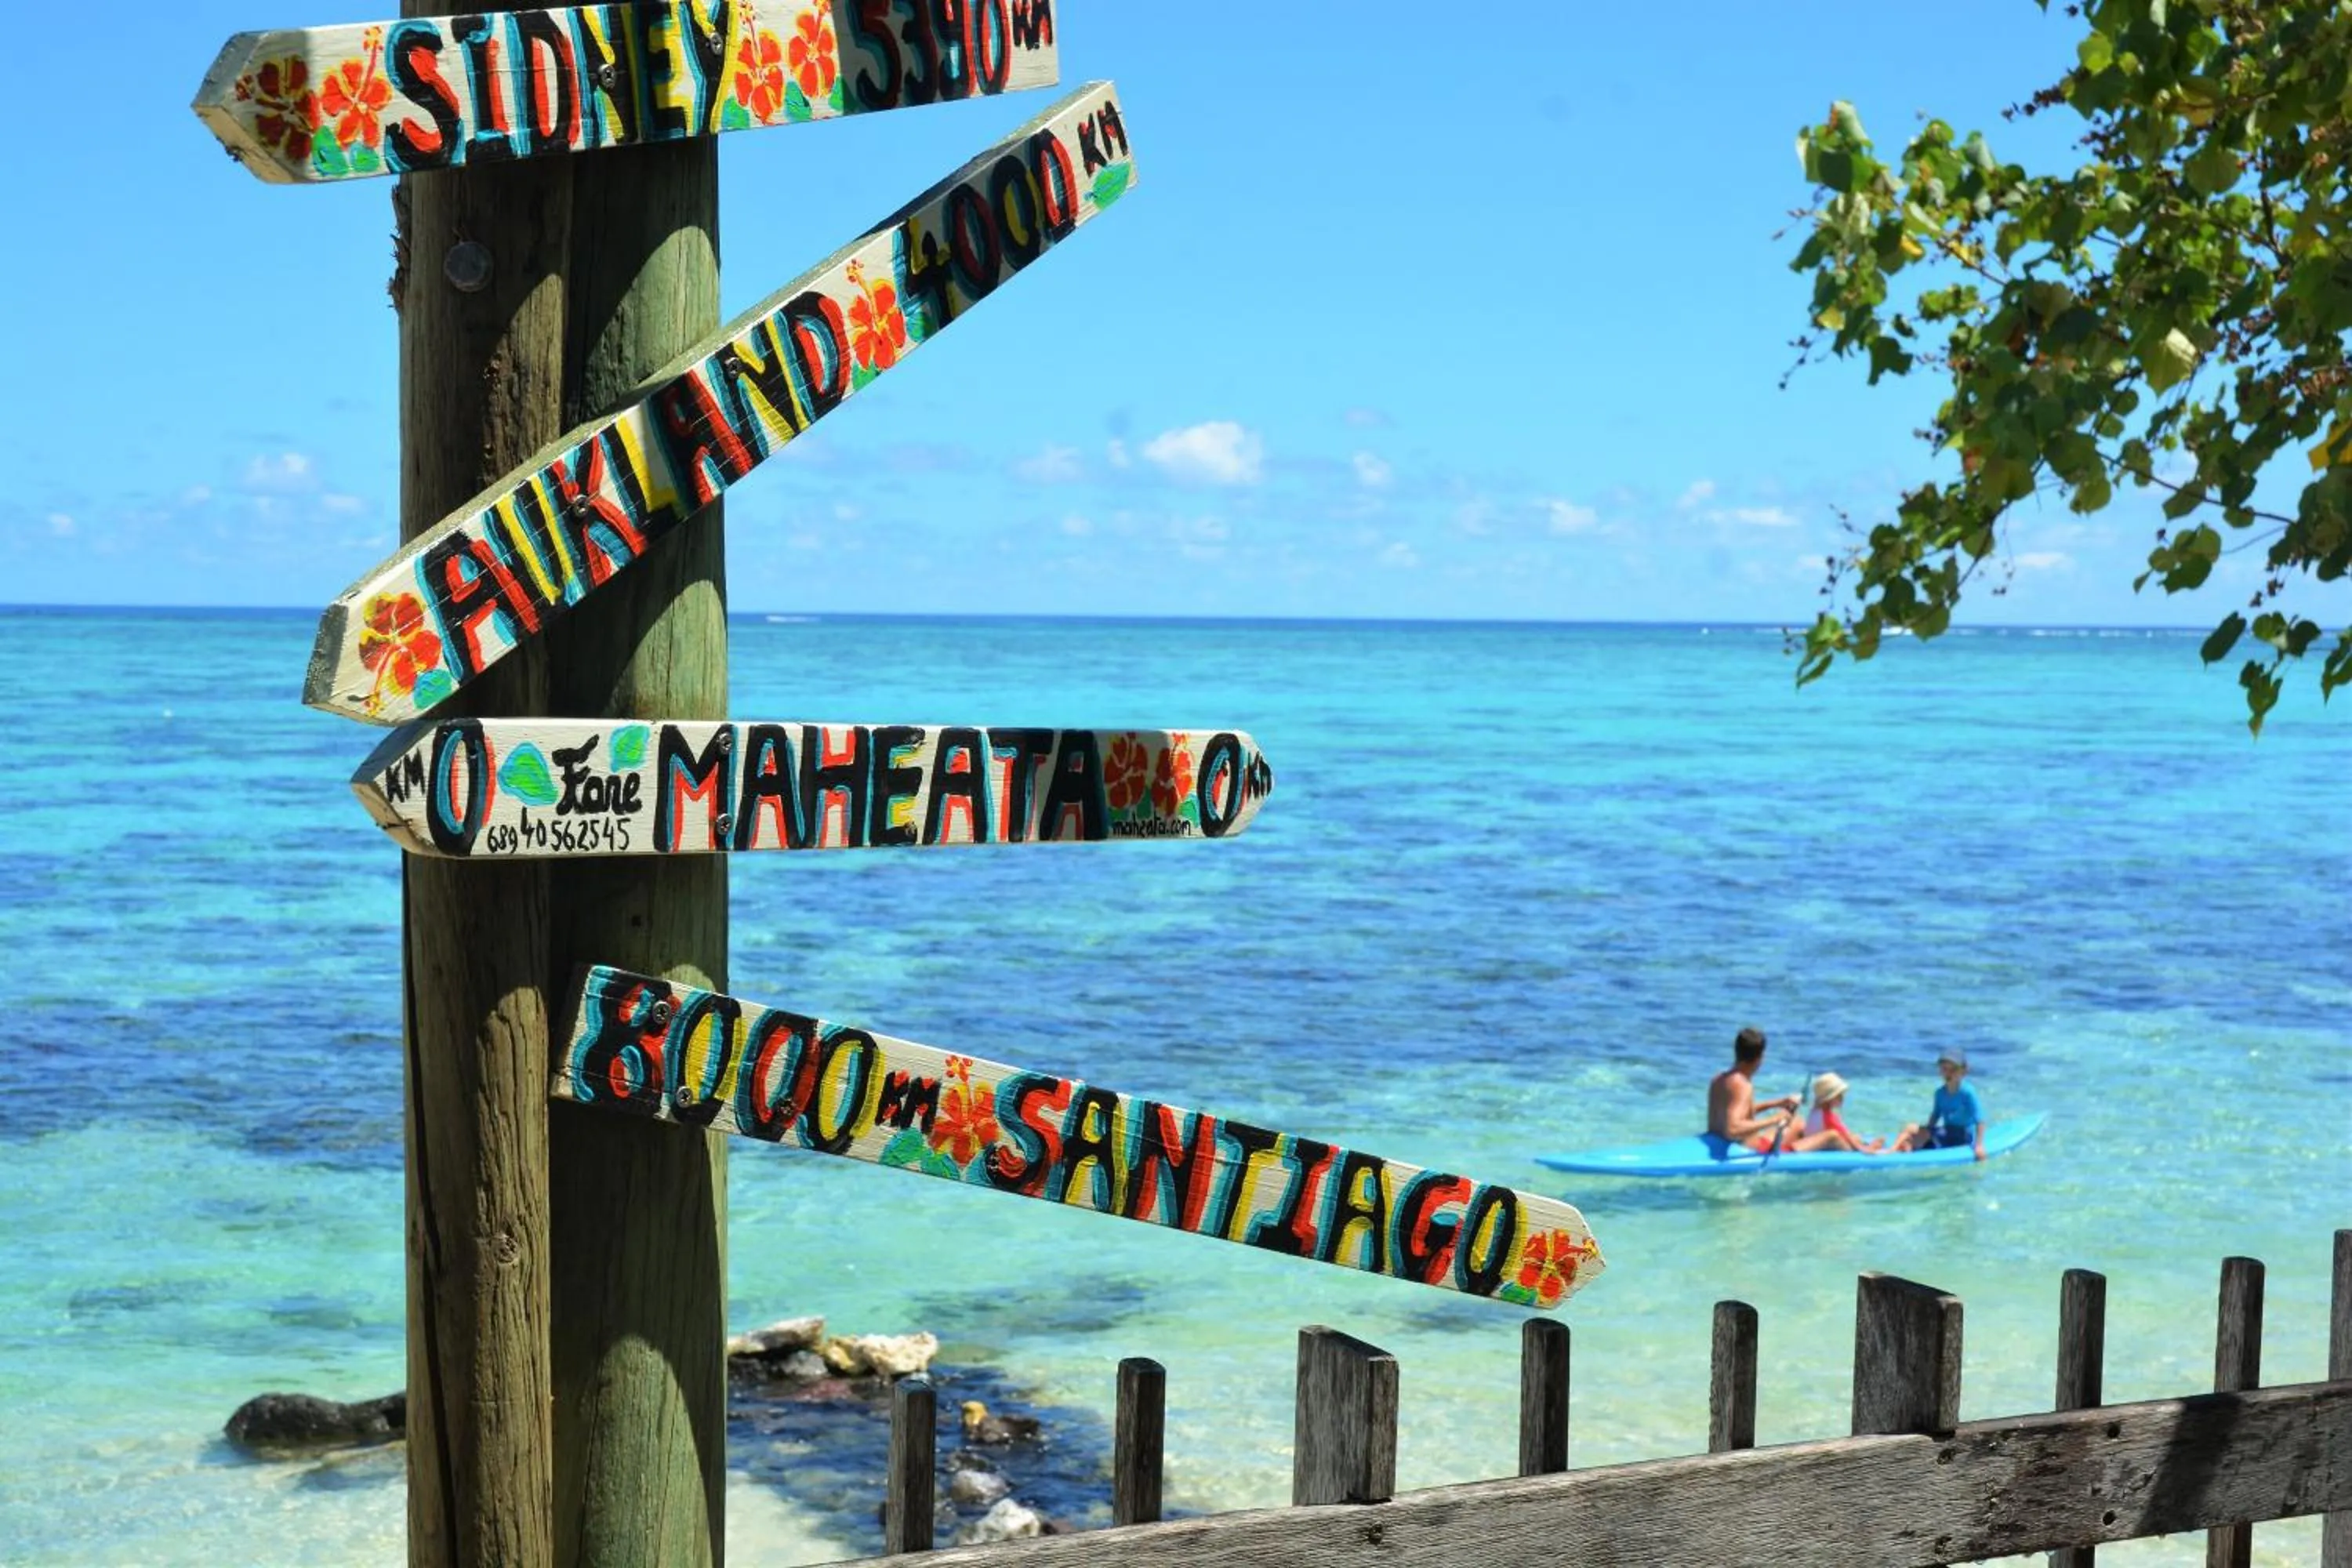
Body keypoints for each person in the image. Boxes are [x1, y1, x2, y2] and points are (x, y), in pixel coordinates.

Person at [1706, 1026, 1802, 1153]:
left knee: (1793, 1123)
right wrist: (1775, 1119)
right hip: (1746, 1152)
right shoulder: (1743, 1085)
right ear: (1760, 1058)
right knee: (1798, 1124)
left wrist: (1777, 1103)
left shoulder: (1718, 1079)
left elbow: (1736, 1111)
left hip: (1719, 1142)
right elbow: (1732, 1128)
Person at [1893, 1047, 1986, 1160]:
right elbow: (1935, 1115)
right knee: (1910, 1128)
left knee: (1916, 1137)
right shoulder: (1940, 1093)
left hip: (1963, 1136)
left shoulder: (1967, 1092)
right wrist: (1925, 1132)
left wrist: (1979, 1145)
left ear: (1963, 1072)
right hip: (1947, 1132)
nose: (1948, 1074)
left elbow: (1980, 1120)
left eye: (1953, 1070)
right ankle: (1896, 1149)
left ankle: (1894, 1151)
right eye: (1944, 1069)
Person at [1791, 1071, 1886, 1155]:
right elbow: (1846, 1135)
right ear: (1830, 1098)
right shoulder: (1829, 1117)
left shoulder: (1815, 1111)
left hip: (1816, 1142)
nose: (1842, 1098)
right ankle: (1870, 1146)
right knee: (1842, 1136)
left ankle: (1866, 1144)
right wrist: (1864, 1150)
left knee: (1855, 1137)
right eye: (1839, 1096)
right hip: (1832, 1147)